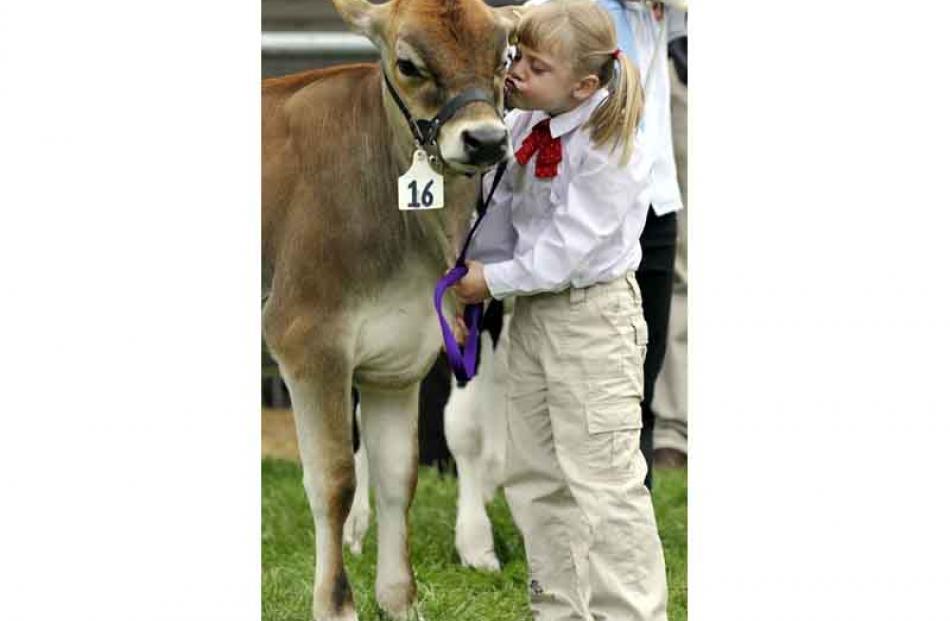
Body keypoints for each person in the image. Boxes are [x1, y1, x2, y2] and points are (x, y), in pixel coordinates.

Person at [454, 1, 668, 618]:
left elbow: (567, 253)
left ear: (583, 85)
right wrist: (466, 265)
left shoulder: (613, 143)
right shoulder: (526, 126)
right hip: (533, 318)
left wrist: (486, 282)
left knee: (604, 484)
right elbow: (499, 220)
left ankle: (628, 611)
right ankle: (558, 609)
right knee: (535, 477)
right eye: (516, 57)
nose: (515, 72)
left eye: (535, 65)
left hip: (592, 322)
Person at [594, 0, 685, 486]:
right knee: (592, 380)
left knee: (642, 378)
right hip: (589, 213)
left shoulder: (661, 11)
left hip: (654, 204)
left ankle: (635, 511)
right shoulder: (556, 10)